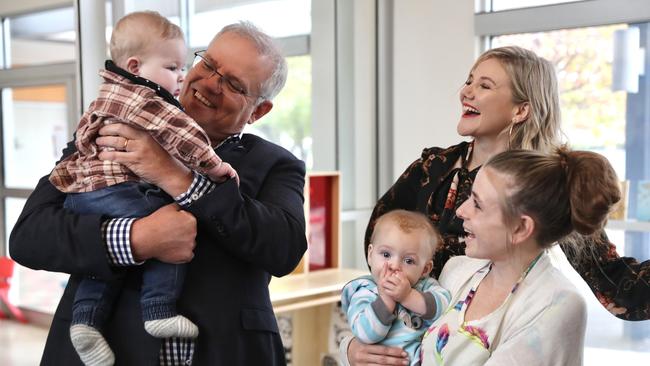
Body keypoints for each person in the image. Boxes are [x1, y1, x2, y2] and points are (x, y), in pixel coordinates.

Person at [10, 20, 306, 366]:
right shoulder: (115, 125)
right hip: (107, 350)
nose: (210, 84)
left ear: (258, 111)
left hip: (221, 352)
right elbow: (29, 236)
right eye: (208, 64)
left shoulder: (276, 164)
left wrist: (177, 178)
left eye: (233, 84)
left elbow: (284, 249)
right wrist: (136, 239)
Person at [344, 46, 650, 365]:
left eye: (485, 86)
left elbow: (621, 290)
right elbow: (379, 250)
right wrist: (357, 341)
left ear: (521, 110)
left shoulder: (546, 187)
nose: (466, 92)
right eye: (469, 81)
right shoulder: (432, 169)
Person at [48, 11, 238, 365]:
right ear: (135, 66)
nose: (181, 78)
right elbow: (186, 137)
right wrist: (215, 166)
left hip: (83, 195)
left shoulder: (107, 93)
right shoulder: (148, 100)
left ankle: (86, 320)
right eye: (173, 68)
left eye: (236, 85)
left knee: (107, 257)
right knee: (171, 226)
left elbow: (279, 246)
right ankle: (158, 309)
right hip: (113, 192)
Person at [419, 147, 620, 365]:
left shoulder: (557, 304)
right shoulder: (456, 270)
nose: (461, 211)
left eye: (477, 204)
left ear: (521, 228)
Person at [341, 210, 451, 366]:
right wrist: (385, 300)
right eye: (386, 254)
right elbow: (365, 334)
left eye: (408, 260)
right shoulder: (364, 290)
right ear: (370, 255)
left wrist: (408, 297)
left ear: (425, 269)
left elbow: (446, 307)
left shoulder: (425, 286)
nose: (394, 266)